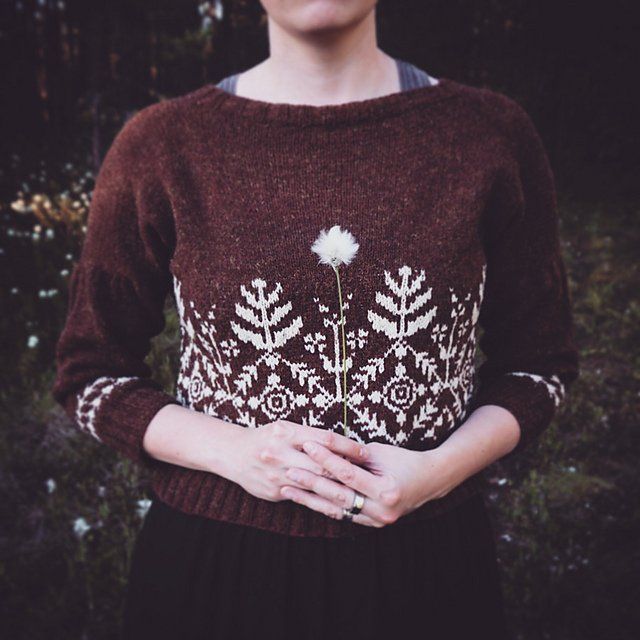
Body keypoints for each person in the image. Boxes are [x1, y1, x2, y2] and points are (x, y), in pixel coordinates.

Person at [52, 1, 580, 638]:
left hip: (430, 569)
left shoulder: (488, 134)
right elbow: (91, 373)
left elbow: (539, 367)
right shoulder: (163, 144)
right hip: (216, 569)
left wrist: (437, 472)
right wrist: (236, 452)